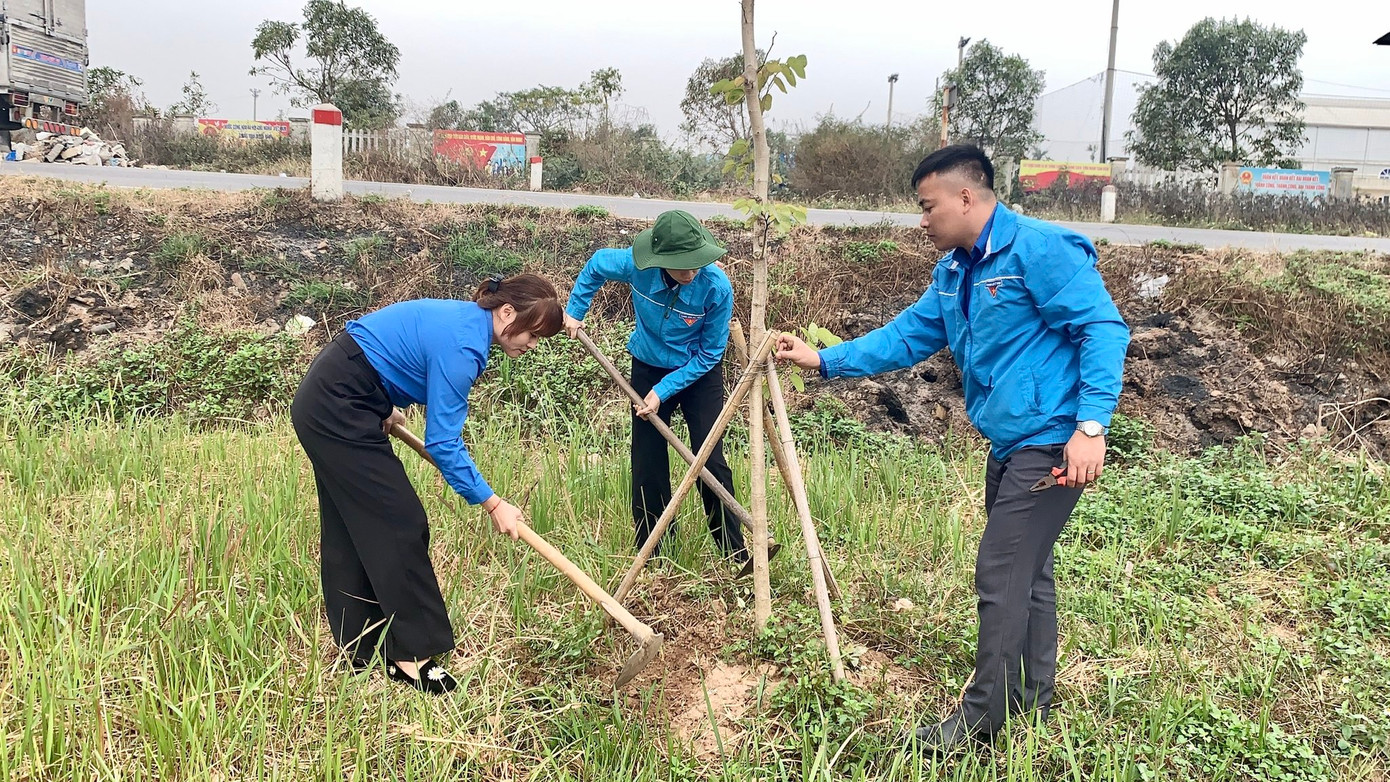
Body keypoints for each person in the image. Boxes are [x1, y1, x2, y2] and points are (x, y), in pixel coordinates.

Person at [775, 145, 1130, 752]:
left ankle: (982, 718)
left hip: (1050, 443)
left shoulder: (1039, 251)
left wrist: (1090, 427)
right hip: (1010, 439)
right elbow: (908, 336)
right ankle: (1031, 699)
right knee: (1028, 573)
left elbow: (1102, 328)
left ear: (967, 197)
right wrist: (825, 359)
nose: (922, 219)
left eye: (927, 205)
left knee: (999, 573)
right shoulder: (957, 270)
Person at [291, 273, 563, 694]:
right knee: (399, 521)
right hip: (337, 402)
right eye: (531, 333)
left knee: (353, 524)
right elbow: (442, 442)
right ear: (506, 313)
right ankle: (411, 656)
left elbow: (388, 349)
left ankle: (363, 647)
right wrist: (492, 502)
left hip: (342, 391)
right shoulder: (464, 346)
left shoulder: (465, 322)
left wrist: (382, 401)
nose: (532, 344)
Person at [563, 209, 748, 562]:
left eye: (697, 264)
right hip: (647, 364)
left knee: (709, 458)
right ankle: (655, 552)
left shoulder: (715, 287)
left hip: (697, 374)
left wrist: (664, 390)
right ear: (661, 260)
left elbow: (710, 354)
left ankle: (734, 553)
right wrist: (576, 310)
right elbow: (597, 263)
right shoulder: (637, 266)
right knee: (648, 459)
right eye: (682, 267)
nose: (691, 273)